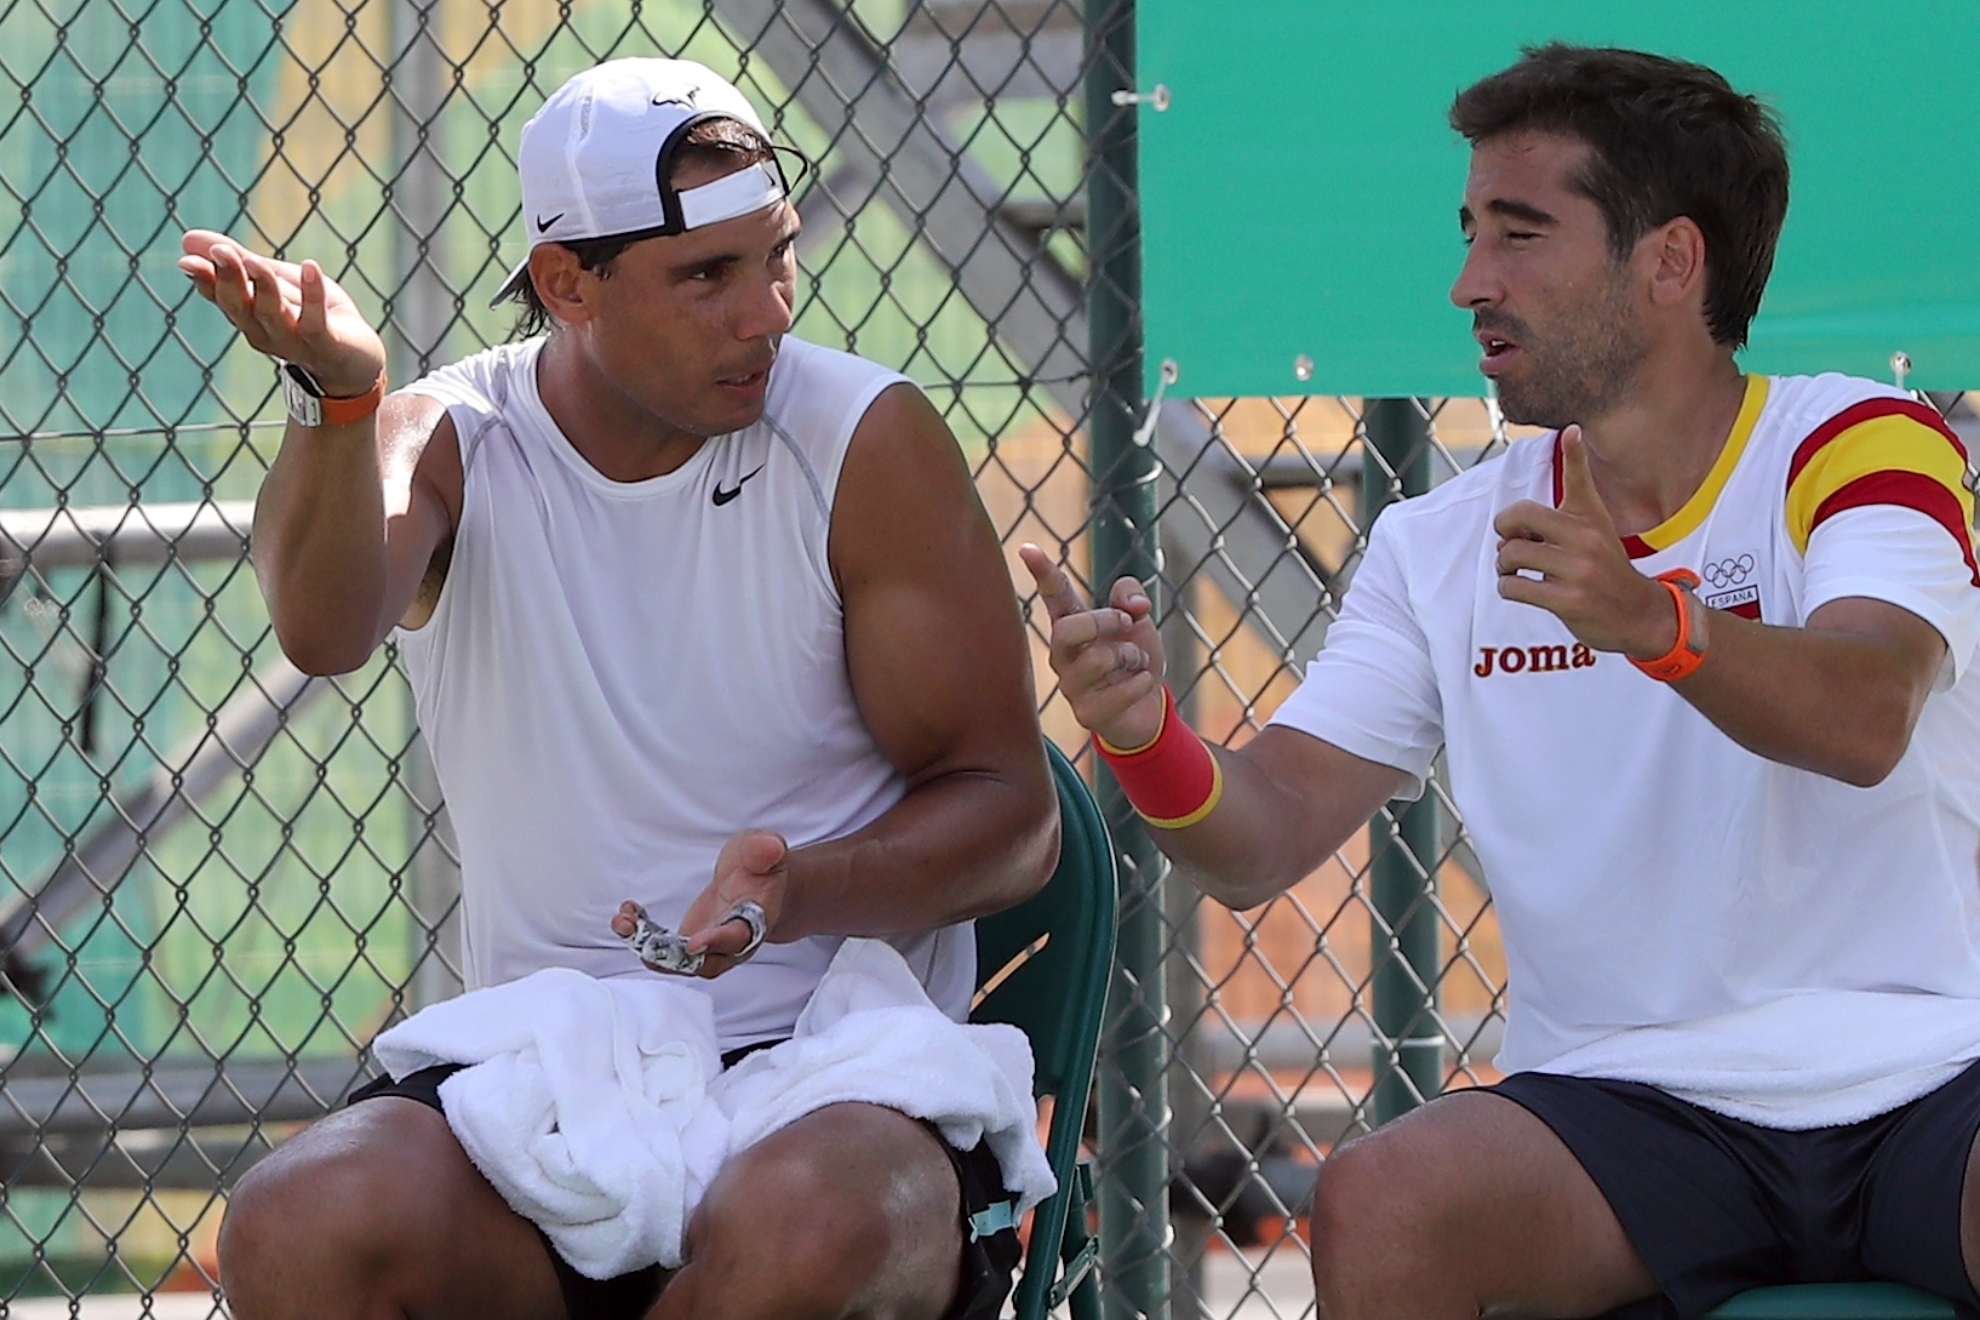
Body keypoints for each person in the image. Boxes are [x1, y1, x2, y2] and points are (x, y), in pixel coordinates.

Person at [1026, 42, 1980, 1320]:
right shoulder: (1438, 541)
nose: (1471, 282)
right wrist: (1147, 739)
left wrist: (1656, 622)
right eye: (1472, 232)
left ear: (1671, 263)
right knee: (1379, 1198)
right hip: (1627, 1111)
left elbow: (1868, 715)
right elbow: (1260, 839)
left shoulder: (1860, 443)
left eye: (1521, 235)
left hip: (1936, 1075)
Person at [179, 57, 1059, 1320]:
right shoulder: (443, 435)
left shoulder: (867, 439)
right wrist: (338, 397)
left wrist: (801, 890)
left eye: (778, 256)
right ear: (565, 284)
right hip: (548, 1070)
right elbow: (323, 630)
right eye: (708, 276)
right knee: (303, 1222)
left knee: (806, 1231)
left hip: (844, 1070)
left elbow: (1012, 814)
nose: (766, 311)